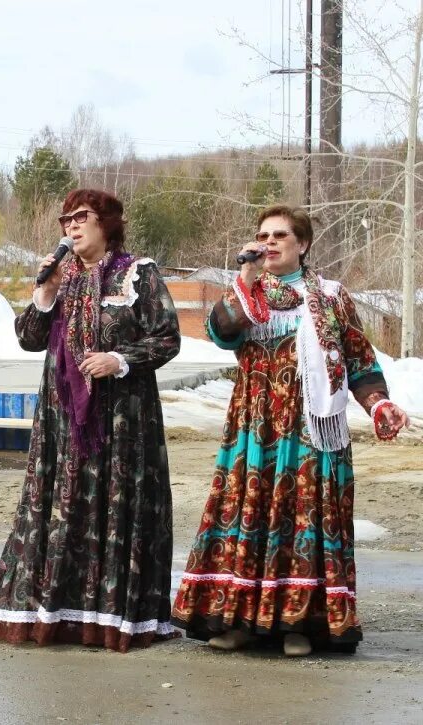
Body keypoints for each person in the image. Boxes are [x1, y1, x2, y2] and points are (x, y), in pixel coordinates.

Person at [172, 205, 411, 656]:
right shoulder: (248, 292)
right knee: (249, 513)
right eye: (263, 235)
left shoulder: (332, 295)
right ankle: (241, 619)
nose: (270, 242)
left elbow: (359, 360)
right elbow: (221, 332)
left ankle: (300, 624)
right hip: (255, 428)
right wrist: (244, 278)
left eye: (280, 235)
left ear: (302, 244)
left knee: (303, 517)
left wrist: (378, 403)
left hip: (311, 429)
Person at [0, 189, 182, 652]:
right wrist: (45, 292)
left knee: (114, 505)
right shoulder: (61, 277)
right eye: (65, 219)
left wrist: (119, 358)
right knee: (60, 504)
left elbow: (168, 338)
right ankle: (55, 612)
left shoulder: (138, 274)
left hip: (123, 419)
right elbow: (29, 338)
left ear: (107, 222)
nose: (71, 226)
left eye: (81, 217)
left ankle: (110, 618)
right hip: (60, 419)